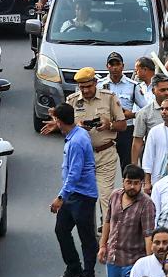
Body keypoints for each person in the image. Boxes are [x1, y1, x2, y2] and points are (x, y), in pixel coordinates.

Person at [42, 67, 126, 228]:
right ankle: (91, 233)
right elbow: (65, 126)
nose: (86, 90)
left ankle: (107, 234)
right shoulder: (72, 101)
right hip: (82, 157)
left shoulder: (109, 98)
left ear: (95, 82)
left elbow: (122, 125)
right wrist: (74, 127)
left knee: (106, 197)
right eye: (82, 87)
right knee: (85, 197)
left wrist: (109, 124)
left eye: (89, 86)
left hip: (105, 152)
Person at [49, 102, 101, 277]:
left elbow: (75, 173)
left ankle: (89, 276)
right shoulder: (76, 133)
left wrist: (60, 198)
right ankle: (73, 268)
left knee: (86, 237)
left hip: (82, 195)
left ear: (61, 121)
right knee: (61, 230)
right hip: (72, 194)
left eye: (56, 119)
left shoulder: (78, 141)